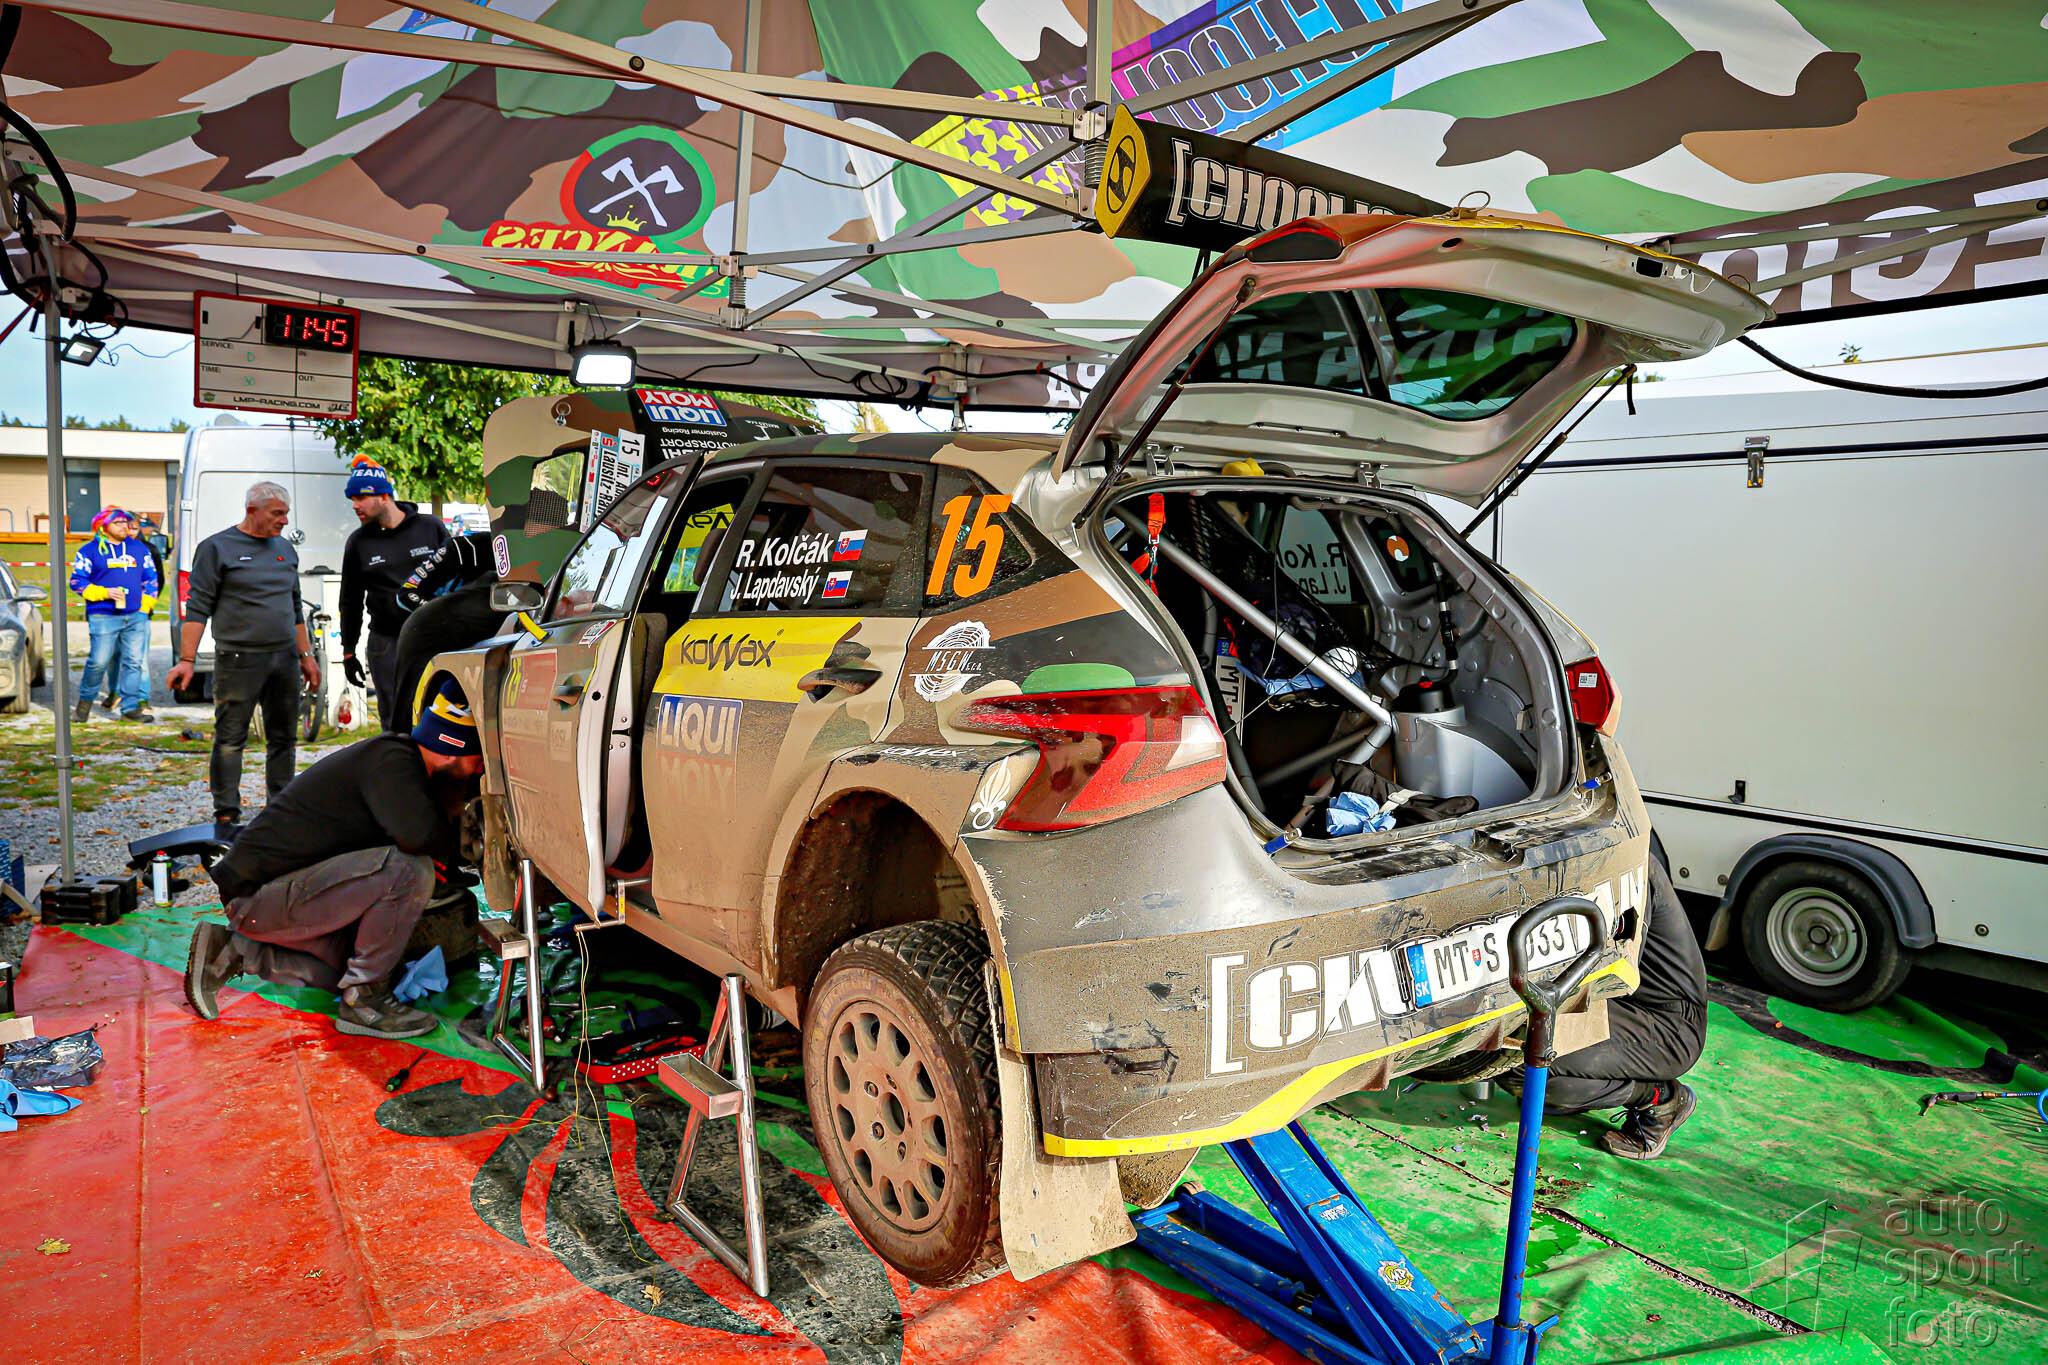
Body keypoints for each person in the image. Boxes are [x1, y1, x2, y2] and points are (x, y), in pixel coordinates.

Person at [181, 679, 485, 1039]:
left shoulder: (403, 769)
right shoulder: (391, 761)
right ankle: (366, 1002)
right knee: (410, 870)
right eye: (477, 758)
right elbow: (420, 839)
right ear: (450, 749)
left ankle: (231, 952)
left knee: (353, 972)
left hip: (281, 897)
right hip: (258, 897)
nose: (480, 769)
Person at [1505, 857, 1708, 1160]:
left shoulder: (1629, 860)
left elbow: (1616, 964)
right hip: (1629, 1006)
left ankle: (1660, 1099)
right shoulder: (1592, 849)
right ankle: (1571, 1089)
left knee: (1519, 1059)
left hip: (1668, 1028)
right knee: (1521, 1056)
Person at [167, 482, 321, 827]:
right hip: (238, 659)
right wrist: (187, 660)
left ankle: (280, 808)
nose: (284, 520)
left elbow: (295, 607)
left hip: (284, 658)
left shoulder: (285, 549)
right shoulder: (217, 548)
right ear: (252, 510)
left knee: (284, 738)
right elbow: (198, 608)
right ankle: (226, 812)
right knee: (230, 739)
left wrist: (306, 655)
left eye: (286, 513)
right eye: (277, 513)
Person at [388, 486, 570, 727]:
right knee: (411, 722)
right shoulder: (466, 548)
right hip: (429, 635)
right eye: (544, 528)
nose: (546, 538)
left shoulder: (546, 557)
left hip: (482, 650)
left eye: (556, 530)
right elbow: (407, 594)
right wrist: (444, 612)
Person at [338, 458, 448, 731]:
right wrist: (349, 651)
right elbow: (350, 601)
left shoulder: (429, 527)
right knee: (395, 720)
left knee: (438, 712)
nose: (354, 505)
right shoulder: (358, 542)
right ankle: (398, 757)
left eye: (361, 497)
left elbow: (457, 576)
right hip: (387, 642)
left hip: (433, 635)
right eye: (352, 499)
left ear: (384, 496)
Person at [68, 506, 158, 724]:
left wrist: (144, 608)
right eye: (118, 523)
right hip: (103, 616)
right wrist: (104, 593)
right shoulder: (89, 551)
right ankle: (84, 705)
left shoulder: (139, 548)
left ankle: (130, 708)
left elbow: (151, 579)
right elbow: (77, 582)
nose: (124, 526)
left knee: (134, 662)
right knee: (99, 661)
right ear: (103, 526)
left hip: (136, 616)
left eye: (126, 522)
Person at [102, 516, 166, 713]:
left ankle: (141, 697)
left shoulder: (149, 550)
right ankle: (114, 692)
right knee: (113, 655)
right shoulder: (105, 549)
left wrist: (145, 606)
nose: (129, 531)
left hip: (139, 612)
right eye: (124, 527)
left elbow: (158, 581)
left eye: (134, 528)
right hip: (110, 612)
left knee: (139, 657)